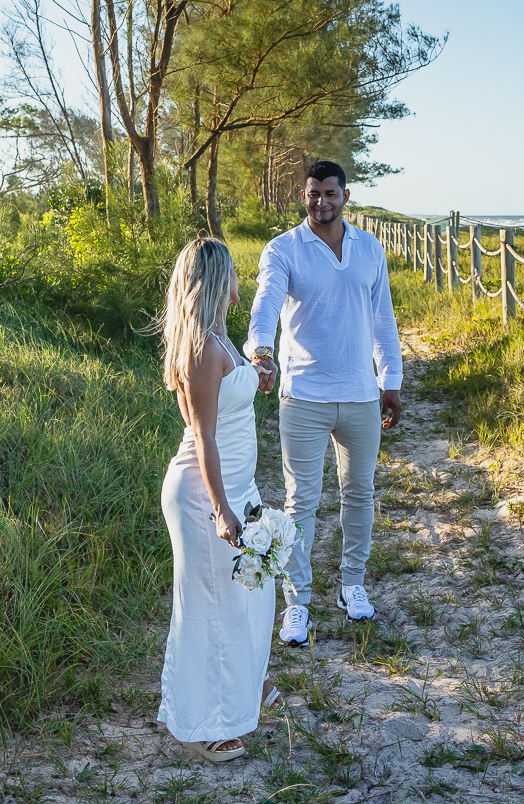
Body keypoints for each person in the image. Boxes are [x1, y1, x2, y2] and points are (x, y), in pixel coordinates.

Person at [246, 160, 403, 647]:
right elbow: (267, 302)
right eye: (314, 194)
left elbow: (383, 320)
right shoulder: (283, 249)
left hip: (359, 393)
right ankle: (297, 604)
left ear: (346, 196)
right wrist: (261, 350)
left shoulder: (368, 248)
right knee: (302, 502)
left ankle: (352, 586)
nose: (322, 202)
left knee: (360, 493)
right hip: (304, 396)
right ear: (304, 195)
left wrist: (390, 378)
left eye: (330, 194)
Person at [158, 238, 278, 762]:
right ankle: (205, 725)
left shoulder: (220, 340)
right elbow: (203, 437)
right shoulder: (202, 351)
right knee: (210, 604)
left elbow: (235, 398)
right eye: (233, 272)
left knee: (249, 595)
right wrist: (222, 508)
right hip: (206, 493)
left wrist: (258, 374)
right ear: (215, 281)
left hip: (237, 486)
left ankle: (244, 688)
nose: (239, 281)